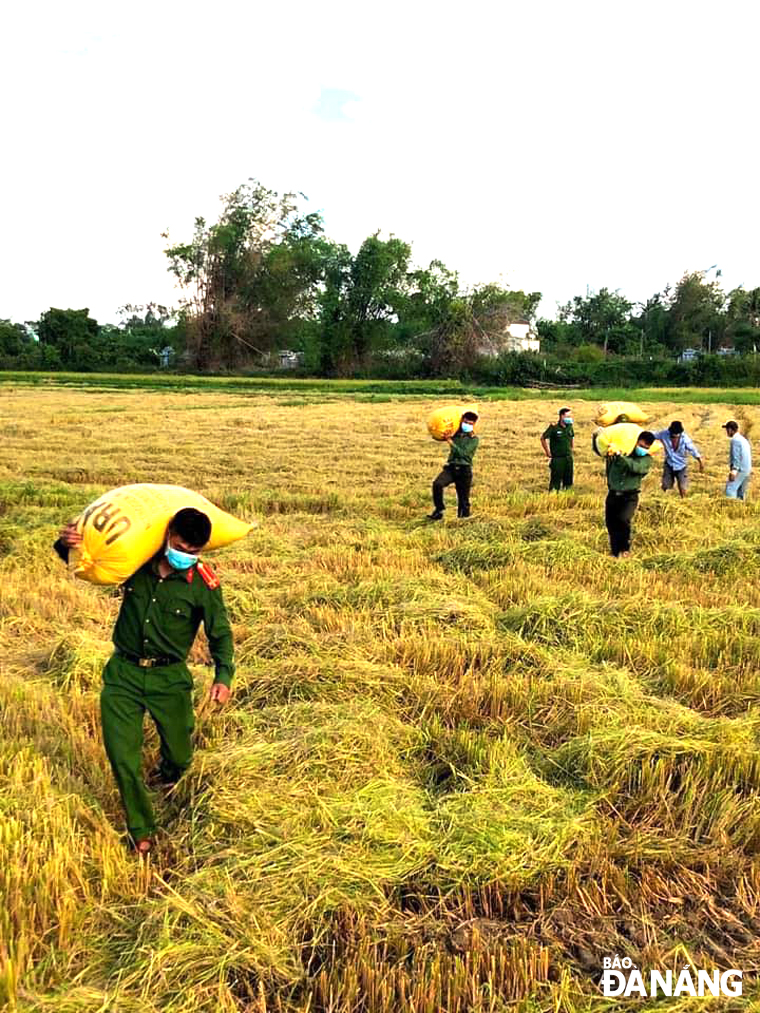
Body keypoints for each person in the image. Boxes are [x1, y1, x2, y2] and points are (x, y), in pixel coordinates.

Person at [54, 507, 234, 855]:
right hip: (124, 674)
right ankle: (142, 830)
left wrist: (223, 675)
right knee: (123, 758)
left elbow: (221, 634)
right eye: (182, 547)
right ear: (168, 537)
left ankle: (168, 771)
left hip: (170, 679)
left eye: (195, 552)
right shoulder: (135, 561)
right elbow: (86, 567)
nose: (188, 557)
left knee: (181, 755)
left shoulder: (204, 584)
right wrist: (66, 545)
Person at [604, 431, 656, 558]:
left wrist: (621, 456)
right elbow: (609, 467)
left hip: (629, 496)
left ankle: (625, 549)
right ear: (636, 442)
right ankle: (615, 551)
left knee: (623, 519)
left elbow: (637, 468)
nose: (642, 449)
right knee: (611, 523)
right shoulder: (619, 453)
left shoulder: (646, 459)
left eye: (646, 448)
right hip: (613, 494)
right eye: (641, 445)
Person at [428, 410, 479, 520]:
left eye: (470, 424)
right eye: (465, 422)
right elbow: (439, 437)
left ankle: (463, 521)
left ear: (474, 424)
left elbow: (464, 454)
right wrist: (436, 432)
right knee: (437, 484)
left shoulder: (474, 440)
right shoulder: (455, 434)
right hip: (451, 468)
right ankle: (439, 510)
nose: (467, 425)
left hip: (464, 470)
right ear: (461, 421)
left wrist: (451, 442)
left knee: (463, 499)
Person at [654, 420, 704, 498]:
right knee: (666, 485)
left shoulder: (685, 439)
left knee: (682, 486)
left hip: (681, 466)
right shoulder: (664, 434)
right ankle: (664, 499)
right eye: (673, 435)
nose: (675, 436)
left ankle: (683, 499)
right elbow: (653, 434)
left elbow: (693, 449)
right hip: (669, 464)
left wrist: (700, 461)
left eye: (677, 434)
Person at [540, 407, 575, 491]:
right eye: (567, 416)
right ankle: (553, 498)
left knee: (568, 482)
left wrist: (571, 448)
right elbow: (543, 438)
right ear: (561, 416)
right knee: (555, 483)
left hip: (568, 458)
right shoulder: (554, 427)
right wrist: (548, 452)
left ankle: (567, 497)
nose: (569, 418)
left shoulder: (570, 427)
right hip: (558, 459)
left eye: (570, 416)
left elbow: (571, 437)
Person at [722, 420, 752, 499]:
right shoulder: (743, 439)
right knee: (740, 493)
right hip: (747, 469)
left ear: (730, 430)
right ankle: (742, 510)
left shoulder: (735, 440)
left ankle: (730, 508)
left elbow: (736, 456)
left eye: (727, 430)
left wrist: (734, 470)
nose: (727, 432)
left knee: (730, 490)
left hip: (740, 469)